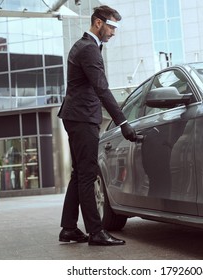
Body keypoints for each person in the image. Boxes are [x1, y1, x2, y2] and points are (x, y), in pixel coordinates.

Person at [57, 5, 136, 246]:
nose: (113, 32)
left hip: (77, 115)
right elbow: (101, 88)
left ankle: (69, 228)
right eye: (111, 26)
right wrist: (123, 122)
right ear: (98, 23)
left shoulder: (87, 46)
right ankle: (96, 232)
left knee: (80, 173)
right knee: (88, 174)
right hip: (82, 117)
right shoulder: (88, 49)